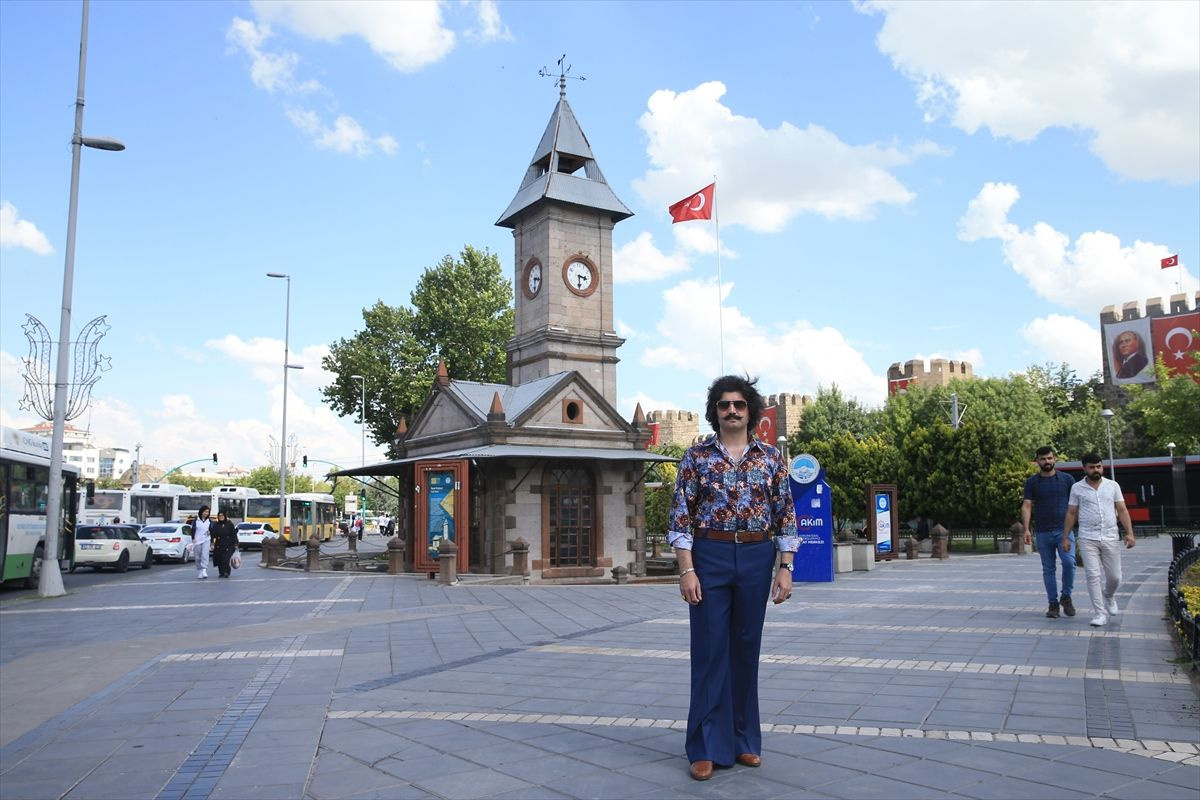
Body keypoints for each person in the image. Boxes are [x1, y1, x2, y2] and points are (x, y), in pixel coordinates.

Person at [668, 374, 798, 782]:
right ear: (715, 412)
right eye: (724, 405)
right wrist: (686, 569)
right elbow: (680, 517)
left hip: (758, 556)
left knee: (746, 649)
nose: (732, 411)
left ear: (750, 410)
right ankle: (705, 746)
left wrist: (785, 566)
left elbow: (786, 514)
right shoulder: (696, 457)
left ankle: (743, 740)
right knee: (709, 651)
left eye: (739, 404)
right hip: (710, 555)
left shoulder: (771, 459)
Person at [1062, 453, 1136, 627]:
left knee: (1115, 577)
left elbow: (1122, 510)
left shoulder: (1113, 486)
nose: (1096, 470)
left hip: (1110, 536)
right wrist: (1066, 537)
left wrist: (1130, 533)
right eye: (1092, 467)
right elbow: (1071, 512)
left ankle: (1109, 595)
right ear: (1084, 468)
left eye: (1099, 466)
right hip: (1088, 537)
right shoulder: (1077, 488)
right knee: (1093, 575)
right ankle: (1099, 613)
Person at [1021, 446, 1079, 618]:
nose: (1047, 462)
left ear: (1055, 459)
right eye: (1043, 459)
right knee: (1048, 569)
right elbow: (1027, 505)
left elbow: (1075, 506)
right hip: (1043, 531)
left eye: (1049, 458)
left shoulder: (1067, 479)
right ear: (1037, 461)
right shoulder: (1032, 482)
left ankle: (1066, 597)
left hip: (1064, 531)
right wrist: (1026, 529)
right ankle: (1052, 603)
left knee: (1069, 563)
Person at [210, 510, 239, 578]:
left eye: (222, 516)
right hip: (219, 544)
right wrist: (212, 543)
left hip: (229, 544)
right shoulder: (216, 525)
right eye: (220, 516)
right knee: (219, 559)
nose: (221, 517)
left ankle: (226, 572)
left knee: (225, 559)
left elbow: (233, 534)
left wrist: (236, 543)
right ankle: (221, 572)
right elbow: (213, 535)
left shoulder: (229, 524)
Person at [193, 506, 212, 580]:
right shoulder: (196, 521)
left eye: (207, 512)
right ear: (201, 512)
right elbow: (193, 530)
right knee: (197, 557)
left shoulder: (209, 521)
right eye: (205, 512)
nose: (206, 513)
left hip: (206, 540)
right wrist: (193, 538)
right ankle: (200, 570)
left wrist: (212, 542)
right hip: (197, 541)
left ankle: (204, 569)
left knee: (205, 554)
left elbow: (212, 530)